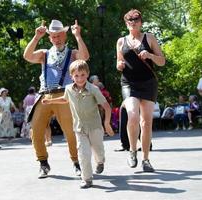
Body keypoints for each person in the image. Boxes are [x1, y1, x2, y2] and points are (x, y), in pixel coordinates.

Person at [23, 19, 89, 178]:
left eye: (59, 36)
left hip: (65, 94)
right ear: (50, 37)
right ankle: (43, 163)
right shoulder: (44, 54)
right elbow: (27, 56)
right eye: (53, 36)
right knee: (36, 130)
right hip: (45, 95)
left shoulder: (72, 53)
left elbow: (85, 57)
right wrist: (36, 37)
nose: (56, 39)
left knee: (71, 131)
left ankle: (77, 163)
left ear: (64, 35)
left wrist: (78, 36)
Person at [42, 60, 114, 188]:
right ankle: (86, 179)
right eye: (76, 76)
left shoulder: (93, 89)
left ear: (87, 74)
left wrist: (106, 123)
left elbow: (106, 106)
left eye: (82, 75)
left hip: (95, 127)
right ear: (71, 76)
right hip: (79, 127)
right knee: (83, 153)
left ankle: (100, 161)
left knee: (98, 149)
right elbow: (65, 99)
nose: (79, 78)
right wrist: (51, 101)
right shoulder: (69, 89)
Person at [116, 9, 165, 172]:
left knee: (146, 122)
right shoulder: (121, 41)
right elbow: (118, 62)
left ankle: (145, 159)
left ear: (141, 22)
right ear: (126, 23)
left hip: (148, 83)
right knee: (132, 115)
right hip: (129, 83)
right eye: (130, 21)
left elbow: (162, 61)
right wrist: (119, 65)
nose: (133, 23)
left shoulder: (149, 38)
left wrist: (150, 56)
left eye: (136, 20)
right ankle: (132, 150)